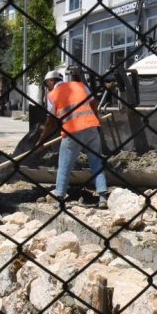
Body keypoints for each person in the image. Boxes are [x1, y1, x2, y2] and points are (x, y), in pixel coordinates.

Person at [36, 66, 108, 209]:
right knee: (96, 162)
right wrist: (95, 120)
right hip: (91, 128)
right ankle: (103, 198)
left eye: (46, 84)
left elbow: (50, 122)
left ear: (51, 81)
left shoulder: (53, 95)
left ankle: (59, 196)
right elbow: (93, 103)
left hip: (72, 132)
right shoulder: (80, 85)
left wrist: (41, 141)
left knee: (65, 163)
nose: (47, 87)